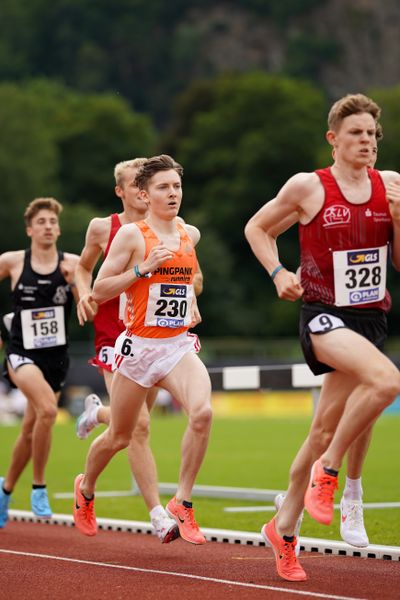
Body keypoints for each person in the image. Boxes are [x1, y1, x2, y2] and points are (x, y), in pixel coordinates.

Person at [245, 93, 400, 582]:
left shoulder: (391, 186)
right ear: (333, 139)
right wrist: (276, 272)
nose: (367, 142)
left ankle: (283, 528)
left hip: (370, 318)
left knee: (320, 430)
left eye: (373, 134)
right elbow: (258, 227)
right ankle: (333, 476)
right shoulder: (309, 187)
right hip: (324, 316)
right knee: (387, 382)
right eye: (356, 133)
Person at [73, 154, 212, 545]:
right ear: (144, 194)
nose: (172, 194)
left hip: (176, 347)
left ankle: (182, 502)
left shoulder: (189, 233)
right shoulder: (130, 235)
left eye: (177, 187)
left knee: (202, 413)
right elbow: (99, 290)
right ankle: (85, 489)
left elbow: (188, 277)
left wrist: (192, 301)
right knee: (121, 435)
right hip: (138, 349)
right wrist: (142, 269)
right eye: (163, 188)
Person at [0, 198, 79, 527]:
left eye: (52, 222)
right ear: (30, 229)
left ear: (58, 229)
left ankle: (4, 491)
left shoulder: (72, 263)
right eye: (41, 222)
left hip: (56, 359)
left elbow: (89, 305)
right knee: (48, 411)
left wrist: (75, 282)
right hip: (21, 353)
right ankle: (39, 487)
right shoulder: (14, 261)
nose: (48, 226)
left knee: (31, 430)